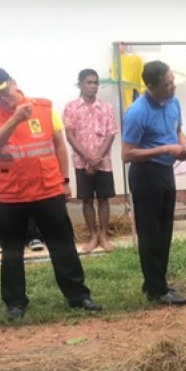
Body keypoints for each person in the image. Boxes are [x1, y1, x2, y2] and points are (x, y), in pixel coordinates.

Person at [0, 67, 102, 321]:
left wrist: (65, 181)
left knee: (63, 245)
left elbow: (59, 145)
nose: (1, 99)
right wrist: (14, 118)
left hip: (47, 190)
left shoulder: (43, 108)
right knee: (12, 251)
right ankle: (15, 303)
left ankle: (78, 296)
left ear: (13, 82)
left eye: (4, 91)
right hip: (9, 195)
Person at [121, 60, 186, 306]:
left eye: (173, 82)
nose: (173, 88)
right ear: (151, 86)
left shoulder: (174, 102)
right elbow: (126, 154)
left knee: (164, 231)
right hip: (145, 175)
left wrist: (183, 146)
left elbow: (178, 130)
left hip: (165, 171)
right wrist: (165, 148)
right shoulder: (137, 112)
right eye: (167, 85)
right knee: (150, 233)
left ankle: (156, 281)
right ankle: (156, 289)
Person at [63, 68, 118, 253]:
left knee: (104, 198)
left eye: (95, 82)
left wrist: (98, 158)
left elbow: (111, 134)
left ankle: (103, 234)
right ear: (80, 84)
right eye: (89, 82)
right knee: (86, 199)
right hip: (81, 162)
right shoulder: (71, 108)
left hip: (103, 162)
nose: (93, 86)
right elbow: (70, 136)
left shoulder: (106, 107)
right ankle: (92, 235)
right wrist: (88, 158)